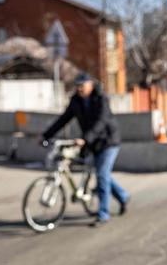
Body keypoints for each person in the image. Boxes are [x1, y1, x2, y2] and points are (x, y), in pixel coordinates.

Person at [41, 73, 130, 227]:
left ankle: (103, 214)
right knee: (103, 174)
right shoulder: (76, 101)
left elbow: (101, 121)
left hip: (108, 141)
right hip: (92, 142)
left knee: (102, 174)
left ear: (90, 85)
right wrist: (46, 135)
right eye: (77, 86)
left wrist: (85, 138)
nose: (79, 89)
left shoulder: (101, 98)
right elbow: (64, 119)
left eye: (82, 86)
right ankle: (123, 195)